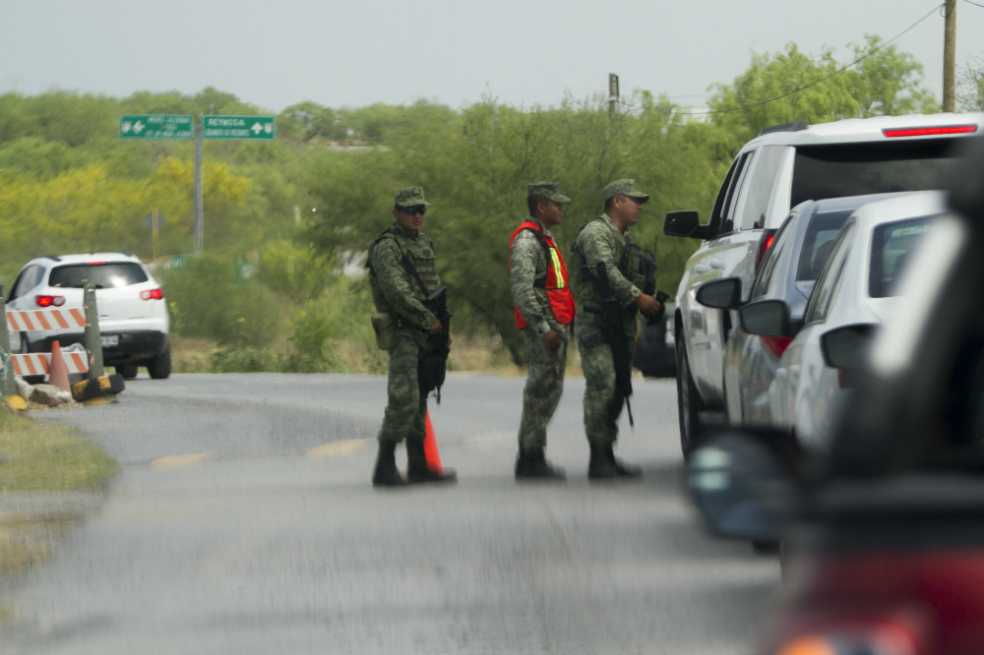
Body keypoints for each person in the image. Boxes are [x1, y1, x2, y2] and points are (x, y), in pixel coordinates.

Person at [569, 180, 662, 480]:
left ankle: (608, 453)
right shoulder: (596, 233)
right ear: (617, 201)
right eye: (635, 200)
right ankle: (598, 458)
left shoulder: (625, 239)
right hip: (596, 321)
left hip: (621, 323)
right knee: (603, 383)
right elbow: (604, 272)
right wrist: (638, 296)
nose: (640, 206)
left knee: (620, 385)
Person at [367, 186, 456, 487]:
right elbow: (396, 293)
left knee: (419, 398)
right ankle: (385, 466)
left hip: (427, 330)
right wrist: (426, 319)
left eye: (422, 210)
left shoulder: (423, 243)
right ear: (396, 212)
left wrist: (442, 327)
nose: (418, 215)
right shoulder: (387, 246)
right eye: (410, 210)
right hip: (405, 329)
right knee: (403, 399)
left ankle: (418, 464)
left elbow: (432, 290)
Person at [509, 182, 576, 480]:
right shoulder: (527, 241)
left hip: (555, 323)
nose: (561, 208)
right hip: (544, 327)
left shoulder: (543, 237)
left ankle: (532, 455)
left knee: (551, 389)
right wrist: (542, 328)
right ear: (540, 207)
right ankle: (530, 459)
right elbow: (522, 289)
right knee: (540, 390)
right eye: (556, 204)